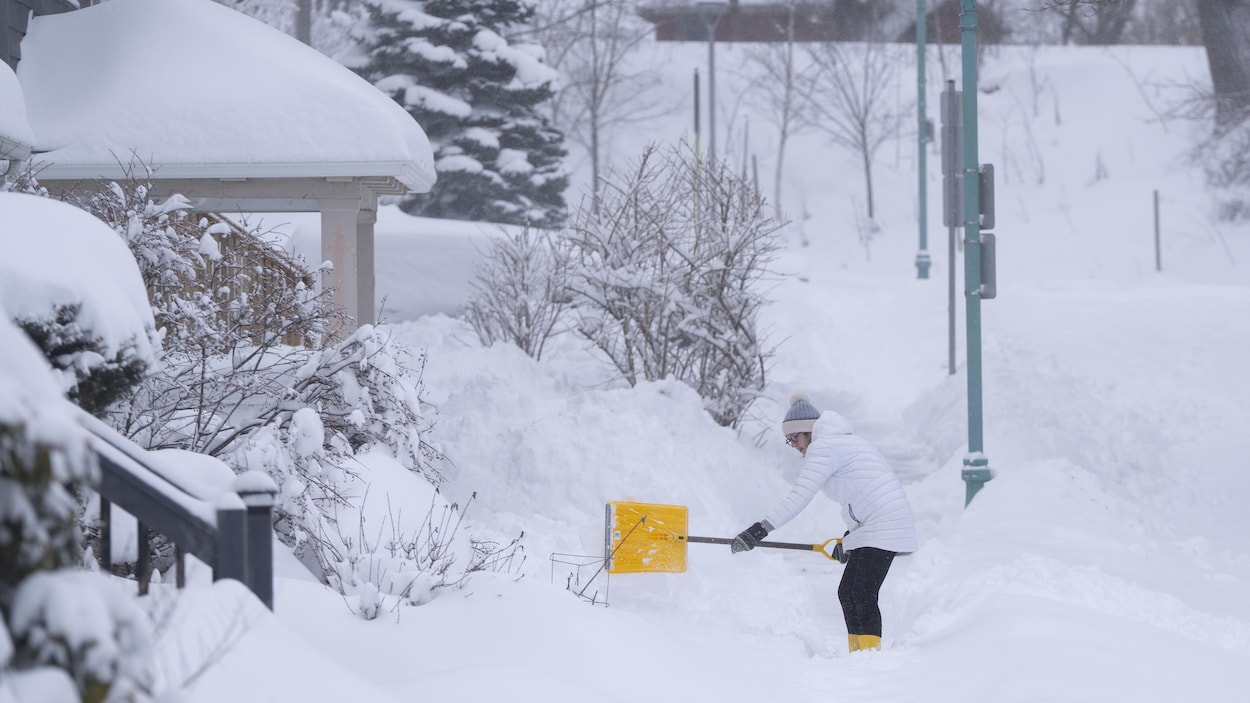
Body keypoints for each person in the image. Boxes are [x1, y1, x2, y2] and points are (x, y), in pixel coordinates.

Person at [731, 393, 918, 653]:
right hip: (877, 524)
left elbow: (799, 496)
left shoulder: (825, 446)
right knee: (848, 592)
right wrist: (850, 541)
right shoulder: (840, 442)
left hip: (885, 525)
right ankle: (860, 654)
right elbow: (864, 496)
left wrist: (759, 530)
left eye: (794, 437)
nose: (793, 445)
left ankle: (869, 656)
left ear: (808, 431)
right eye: (788, 440)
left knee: (862, 593)